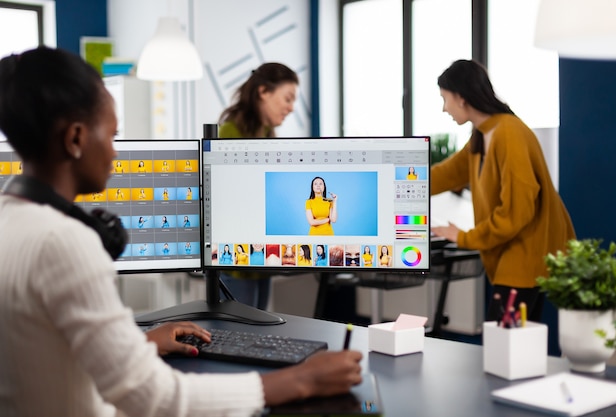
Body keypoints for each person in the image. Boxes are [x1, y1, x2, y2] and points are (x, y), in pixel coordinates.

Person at [0, 47, 362, 417]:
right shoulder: (64, 243)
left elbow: (45, 347)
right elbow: (155, 397)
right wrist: (302, 380)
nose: (114, 152)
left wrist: (138, 344)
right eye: (112, 135)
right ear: (76, 138)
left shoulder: (9, 220)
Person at [430, 59, 575, 322]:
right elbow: (448, 174)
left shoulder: (508, 134)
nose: (444, 108)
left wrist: (463, 237)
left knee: (504, 349)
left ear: (461, 97)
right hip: (515, 256)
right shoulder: (484, 133)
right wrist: (398, 187)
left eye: (445, 99)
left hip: (525, 255)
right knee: (511, 348)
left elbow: (516, 212)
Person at [217, 62, 299, 309]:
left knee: (260, 329)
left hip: (261, 256)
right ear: (264, 92)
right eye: (287, 98)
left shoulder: (265, 134)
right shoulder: (230, 133)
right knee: (239, 333)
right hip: (238, 259)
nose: (291, 108)